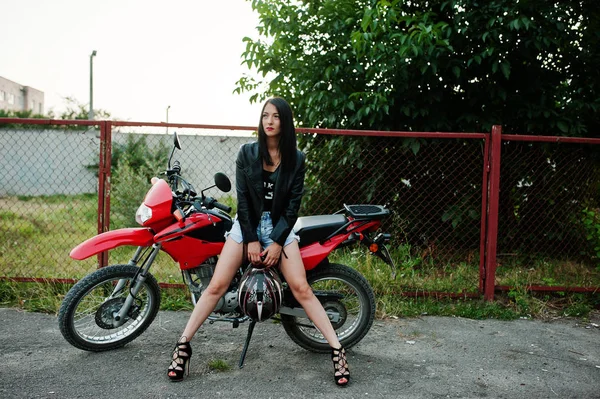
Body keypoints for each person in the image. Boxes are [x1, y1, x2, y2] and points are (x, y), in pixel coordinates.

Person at [167, 97, 350, 386]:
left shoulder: (297, 160)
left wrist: (277, 242)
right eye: (265, 115)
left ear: (284, 122)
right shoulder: (247, 154)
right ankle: (183, 345)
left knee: (301, 288)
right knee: (216, 285)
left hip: (280, 226)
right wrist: (251, 240)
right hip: (247, 225)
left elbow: (292, 207)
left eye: (276, 116)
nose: (269, 121)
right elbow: (242, 201)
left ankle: (337, 350)